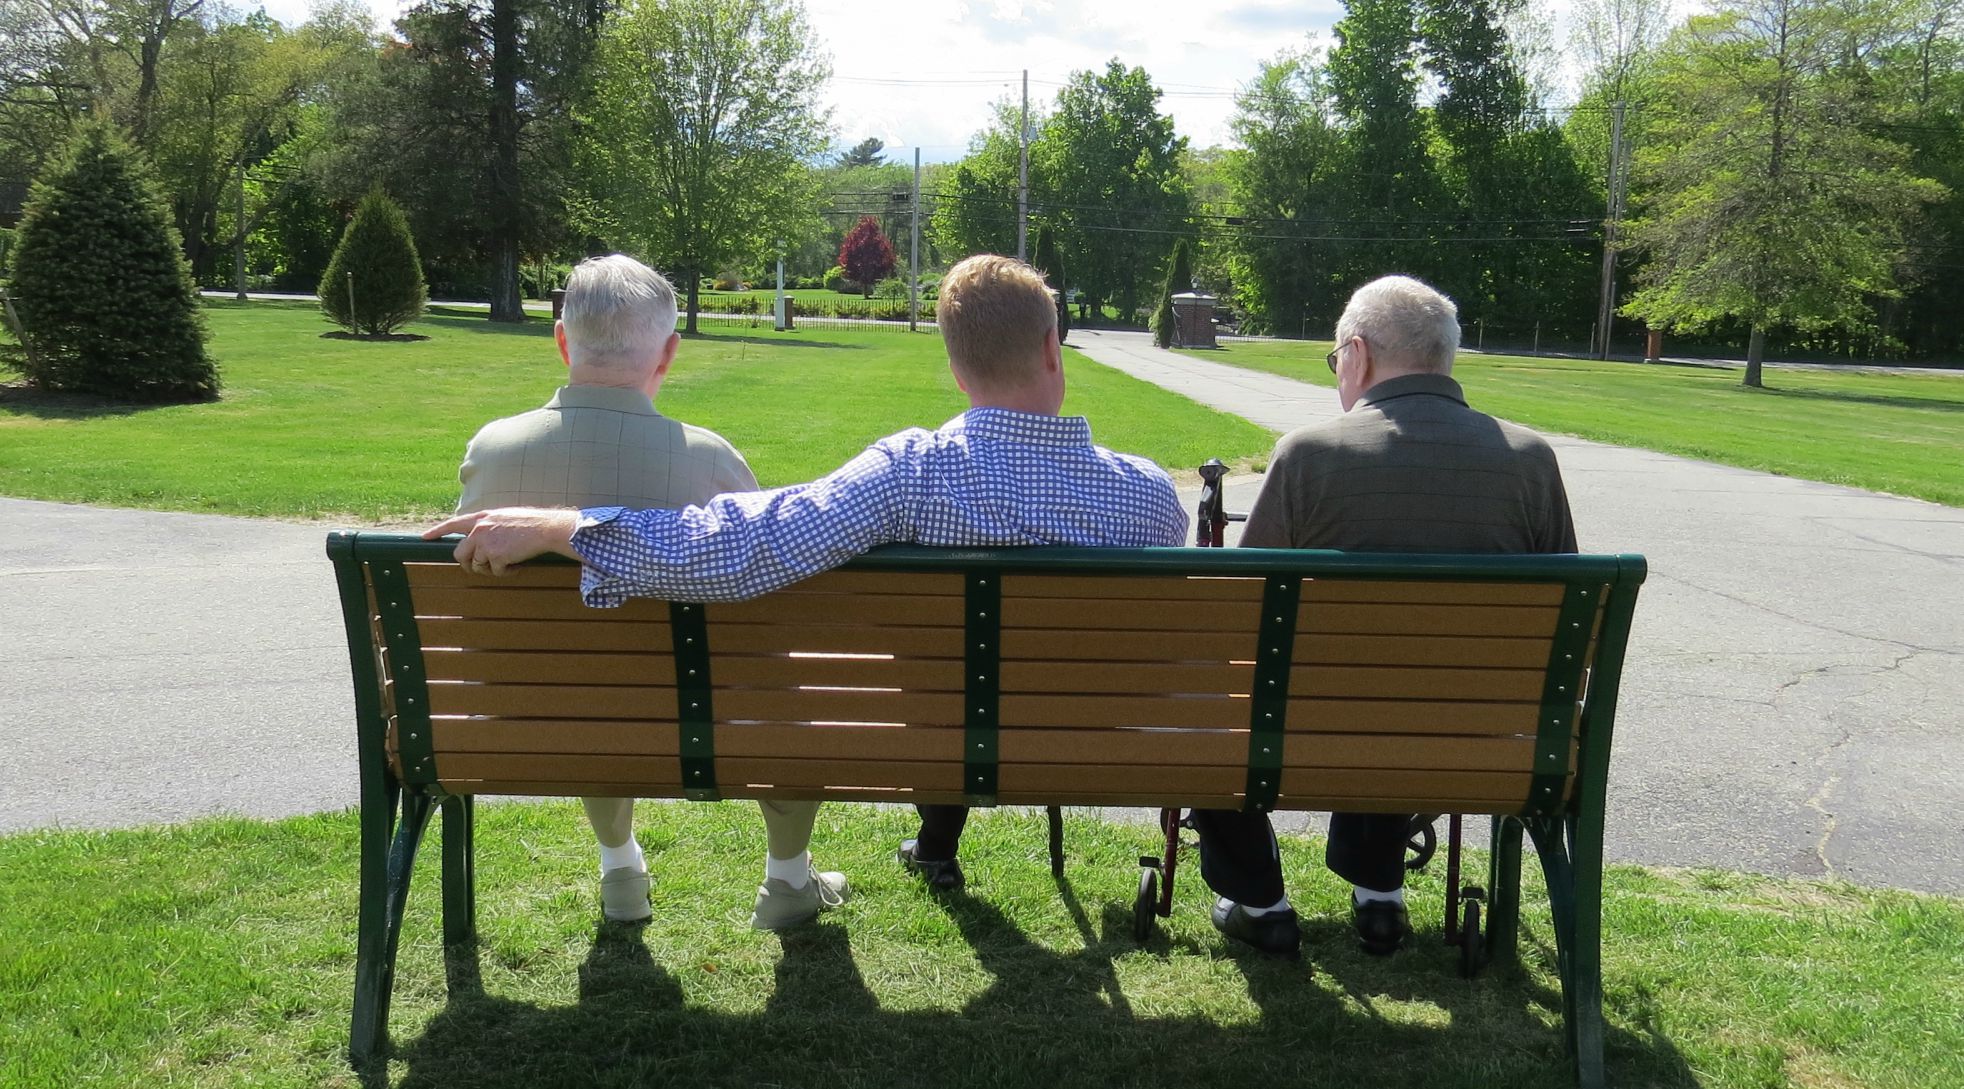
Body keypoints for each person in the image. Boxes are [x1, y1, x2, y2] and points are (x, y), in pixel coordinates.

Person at [424, 253, 1191, 902]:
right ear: (1053, 349)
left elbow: (740, 546)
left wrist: (568, 527)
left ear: (955, 369)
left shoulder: (911, 473)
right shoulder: (1153, 498)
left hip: (939, 740)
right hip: (1110, 742)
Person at [450, 253, 843, 932]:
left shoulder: (493, 450)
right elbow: (767, 614)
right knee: (780, 682)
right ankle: (787, 880)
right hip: (700, 714)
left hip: (534, 714)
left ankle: (620, 867)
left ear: (562, 340)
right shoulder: (710, 459)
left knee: (587, 674)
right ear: (668, 352)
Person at [1191, 274, 1578, 957]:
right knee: (1409, 684)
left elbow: (1233, 621)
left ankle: (1261, 898)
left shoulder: (1309, 455)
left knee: (1234, 703)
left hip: (1309, 736)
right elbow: (1565, 642)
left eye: (1336, 359)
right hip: (1486, 746)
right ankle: (1378, 891)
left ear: (1358, 355)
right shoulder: (1530, 460)